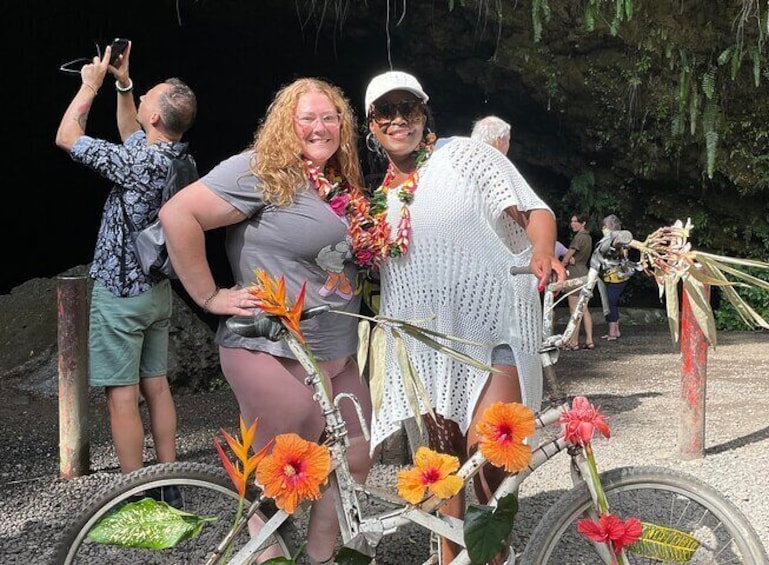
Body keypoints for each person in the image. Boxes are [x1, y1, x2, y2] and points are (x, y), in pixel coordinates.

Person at [158, 78, 373, 565]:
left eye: (330, 117)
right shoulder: (260, 170)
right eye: (308, 118)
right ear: (286, 124)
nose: (320, 127)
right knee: (285, 467)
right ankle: (263, 554)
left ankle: (318, 559)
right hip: (270, 348)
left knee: (354, 455)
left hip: (336, 352)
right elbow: (178, 215)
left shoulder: (338, 182)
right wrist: (210, 295)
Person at [360, 70, 565, 564]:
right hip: (426, 346)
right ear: (371, 125)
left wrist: (541, 251)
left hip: (493, 324)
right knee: (444, 462)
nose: (398, 120)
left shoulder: (465, 156)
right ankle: (452, 556)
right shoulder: (376, 197)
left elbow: (535, 212)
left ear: (424, 112)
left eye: (408, 109)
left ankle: (497, 552)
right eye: (385, 112)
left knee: (493, 450)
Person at [54, 41, 197, 491]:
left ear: (154, 117)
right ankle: (169, 478)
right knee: (156, 385)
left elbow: (67, 137)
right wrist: (126, 84)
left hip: (121, 294)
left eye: (146, 99)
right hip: (157, 293)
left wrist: (90, 87)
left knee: (121, 395)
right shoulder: (179, 157)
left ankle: (136, 490)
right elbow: (129, 131)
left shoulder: (137, 162)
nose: (141, 104)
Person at [560, 212, 595, 350]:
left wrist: (561, 267)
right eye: (572, 221)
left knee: (574, 310)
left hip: (575, 274)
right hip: (585, 272)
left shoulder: (578, 237)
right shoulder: (588, 237)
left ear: (583, 223)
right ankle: (589, 340)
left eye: (576, 221)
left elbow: (567, 257)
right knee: (584, 308)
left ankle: (573, 341)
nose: (572, 224)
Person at [600, 214, 632, 341]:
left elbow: (621, 256)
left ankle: (613, 331)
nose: (603, 228)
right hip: (610, 276)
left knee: (610, 302)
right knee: (611, 302)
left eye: (605, 226)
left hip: (617, 277)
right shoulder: (608, 239)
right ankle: (615, 330)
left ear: (611, 227)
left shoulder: (620, 239)